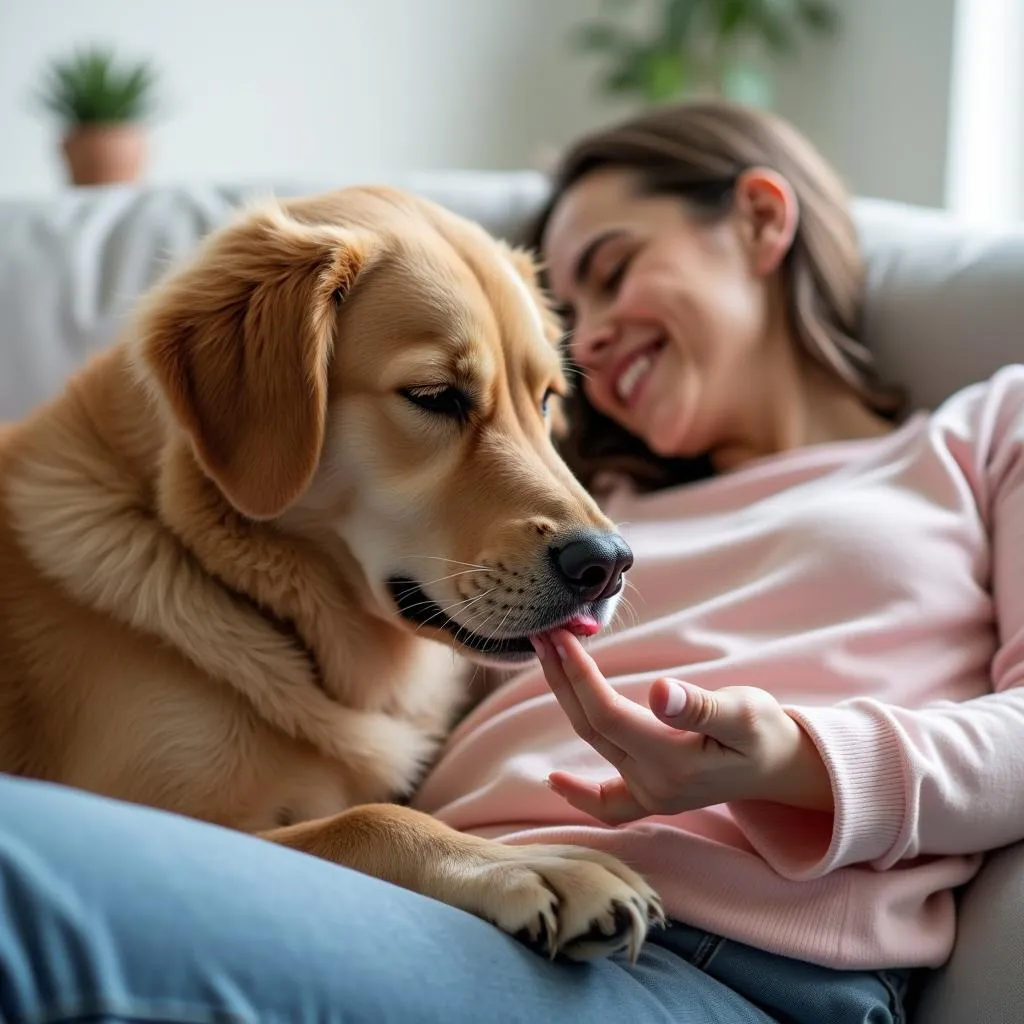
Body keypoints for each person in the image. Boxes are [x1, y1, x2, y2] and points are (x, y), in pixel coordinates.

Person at [3, 100, 1022, 1024]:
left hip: (706, 968)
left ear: (759, 220)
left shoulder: (983, 433)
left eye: (616, 267)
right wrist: (426, 855)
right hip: (450, 902)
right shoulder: (580, 514)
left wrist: (796, 760)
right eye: (571, 316)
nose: (602, 328)